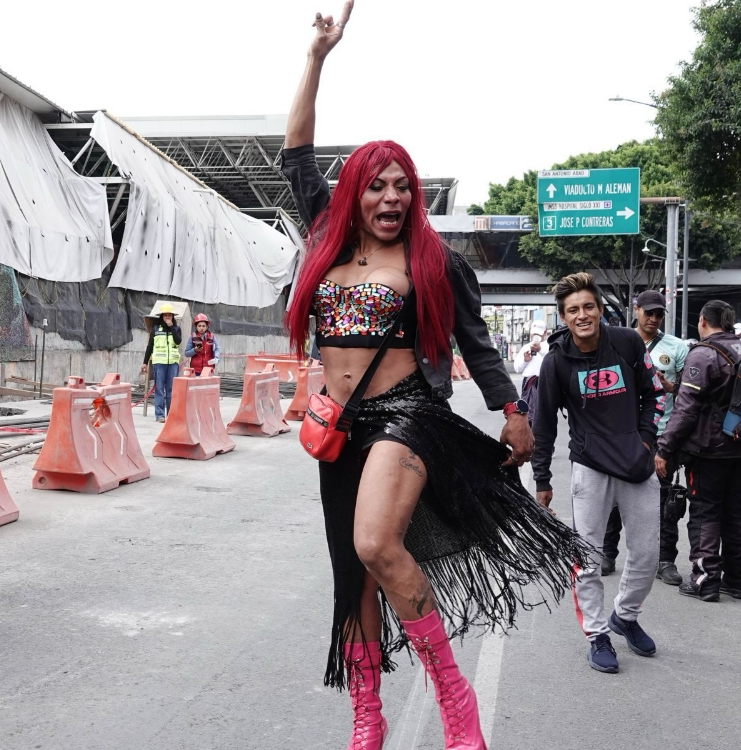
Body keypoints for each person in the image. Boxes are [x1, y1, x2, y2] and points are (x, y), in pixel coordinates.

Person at [280, 6, 588, 747]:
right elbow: (295, 154)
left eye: (403, 188)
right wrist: (317, 56)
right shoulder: (325, 234)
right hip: (338, 430)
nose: (391, 199)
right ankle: (367, 708)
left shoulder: (433, 262)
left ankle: (455, 700)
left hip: (406, 415)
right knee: (350, 577)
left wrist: (513, 411)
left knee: (378, 545)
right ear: (354, 191)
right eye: (378, 187)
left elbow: (479, 347)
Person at [531, 273, 663, 675]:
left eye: (589, 307)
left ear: (600, 311)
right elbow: (544, 423)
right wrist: (542, 480)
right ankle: (597, 634)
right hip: (589, 467)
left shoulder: (626, 341)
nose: (582, 315)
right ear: (563, 317)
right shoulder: (555, 362)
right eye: (573, 310)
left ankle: (625, 615)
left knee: (646, 554)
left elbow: (652, 392)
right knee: (588, 558)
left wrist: (645, 439)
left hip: (636, 464)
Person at [657, 300, 741, 602]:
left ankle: (705, 581)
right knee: (738, 515)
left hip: (708, 452)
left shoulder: (703, 355)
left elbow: (685, 410)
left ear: (703, 321)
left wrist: (664, 449)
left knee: (705, 513)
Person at [600, 291, 689, 583]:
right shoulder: (617, 341)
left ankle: (665, 560)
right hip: (621, 434)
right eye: (648, 312)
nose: (653, 318)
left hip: (662, 435)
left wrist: (669, 386)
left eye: (659, 314)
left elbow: (686, 394)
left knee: (664, 501)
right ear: (635, 310)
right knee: (613, 498)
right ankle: (607, 553)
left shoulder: (677, 347)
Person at [140, 303, 182, 422]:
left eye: (170, 315)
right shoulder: (156, 329)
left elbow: (178, 342)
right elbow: (150, 346)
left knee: (171, 389)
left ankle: (170, 414)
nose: (168, 317)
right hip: (159, 363)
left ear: (172, 317)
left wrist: (172, 327)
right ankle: (160, 415)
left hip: (173, 363)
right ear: (162, 316)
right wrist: (144, 362)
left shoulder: (177, 329)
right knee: (159, 389)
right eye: (166, 315)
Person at [513, 321, 549, 424]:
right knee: (527, 414)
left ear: (545, 332)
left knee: (543, 415)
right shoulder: (526, 347)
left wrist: (540, 350)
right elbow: (517, 369)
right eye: (534, 333)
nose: (536, 336)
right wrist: (525, 360)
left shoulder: (550, 347)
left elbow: (553, 363)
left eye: (539, 333)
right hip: (528, 384)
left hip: (544, 383)